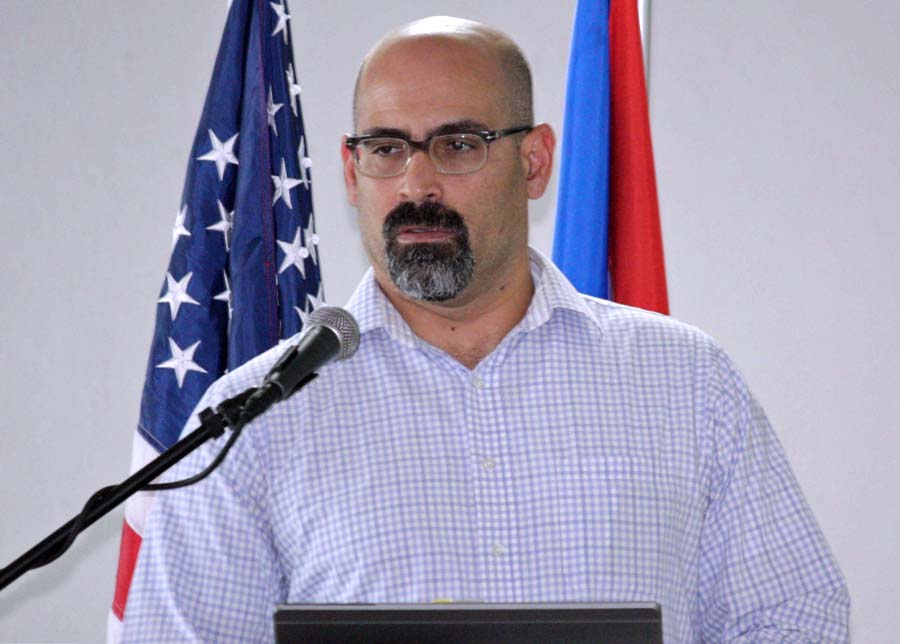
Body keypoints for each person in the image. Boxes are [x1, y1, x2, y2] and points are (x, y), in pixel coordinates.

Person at [121, 16, 849, 644]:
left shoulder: (684, 381)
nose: (417, 185)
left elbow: (794, 619)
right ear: (350, 169)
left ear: (534, 162)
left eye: (459, 144)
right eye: (387, 148)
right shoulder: (253, 418)